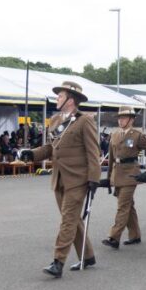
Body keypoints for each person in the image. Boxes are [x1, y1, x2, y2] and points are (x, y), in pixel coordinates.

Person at [21, 81, 101, 278]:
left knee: (67, 220)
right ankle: (88, 255)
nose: (57, 99)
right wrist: (31, 154)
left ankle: (58, 261)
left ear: (70, 100)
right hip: (59, 178)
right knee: (73, 220)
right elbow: (50, 148)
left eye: (60, 96)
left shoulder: (85, 121)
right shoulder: (56, 120)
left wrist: (94, 179)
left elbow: (93, 151)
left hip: (78, 179)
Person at [101, 106, 146, 249]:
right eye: (119, 118)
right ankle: (135, 235)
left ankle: (114, 237)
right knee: (129, 206)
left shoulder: (137, 135)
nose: (120, 120)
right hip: (117, 174)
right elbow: (111, 158)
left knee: (123, 206)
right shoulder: (115, 135)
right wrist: (108, 176)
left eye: (123, 118)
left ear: (131, 119)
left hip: (131, 174)